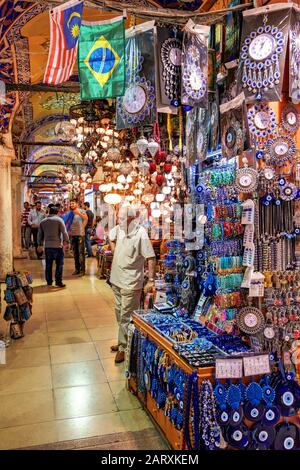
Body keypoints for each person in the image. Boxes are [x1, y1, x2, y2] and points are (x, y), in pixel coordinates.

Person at [109, 207, 156, 363]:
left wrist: (151, 280)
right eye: (118, 218)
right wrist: (115, 251)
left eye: (121, 218)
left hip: (130, 281)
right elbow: (111, 236)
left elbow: (151, 257)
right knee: (118, 313)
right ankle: (122, 340)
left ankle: (124, 347)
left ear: (130, 219)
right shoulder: (119, 229)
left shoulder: (141, 233)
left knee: (126, 316)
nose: (118, 221)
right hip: (116, 279)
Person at [37, 206, 69, 288]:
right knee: (59, 265)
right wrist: (67, 241)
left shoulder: (43, 221)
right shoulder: (59, 220)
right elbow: (64, 232)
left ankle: (49, 281)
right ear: (57, 212)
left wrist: (39, 244)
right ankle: (58, 281)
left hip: (47, 246)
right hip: (58, 246)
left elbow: (39, 235)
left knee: (48, 265)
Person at [69, 199, 88, 276]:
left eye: (73, 203)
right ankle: (77, 269)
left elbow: (86, 219)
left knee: (81, 253)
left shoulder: (81, 211)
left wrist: (82, 228)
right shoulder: (70, 212)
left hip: (80, 234)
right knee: (75, 253)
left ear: (77, 204)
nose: (71, 205)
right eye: (70, 204)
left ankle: (82, 270)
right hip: (73, 234)